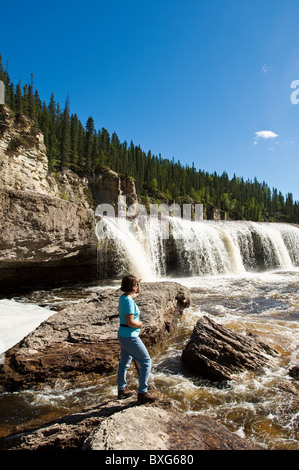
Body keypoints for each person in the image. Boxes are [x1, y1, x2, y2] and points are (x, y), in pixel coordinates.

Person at [117, 274, 157, 403]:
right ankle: (143, 392)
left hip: (123, 334)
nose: (137, 287)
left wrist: (138, 285)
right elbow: (130, 322)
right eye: (135, 284)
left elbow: (136, 294)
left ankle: (121, 390)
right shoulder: (128, 302)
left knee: (124, 362)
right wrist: (140, 324)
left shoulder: (123, 297)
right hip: (130, 336)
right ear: (131, 286)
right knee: (146, 362)